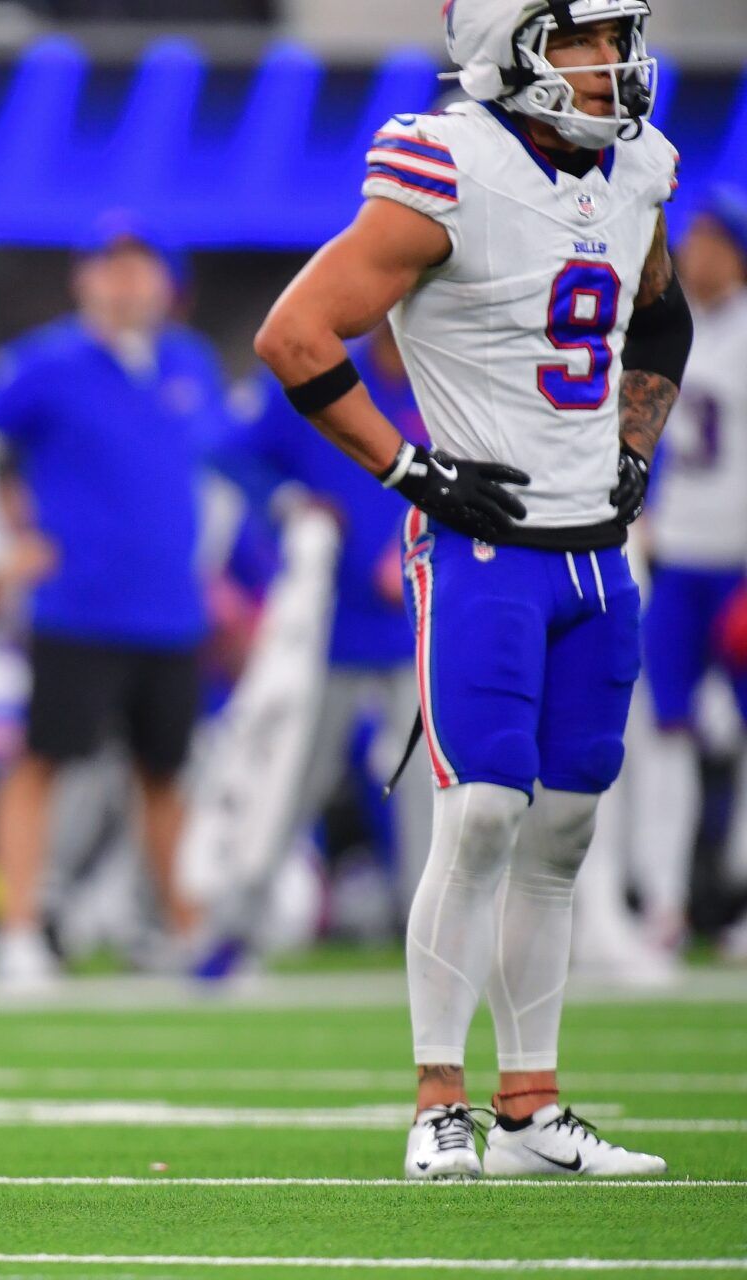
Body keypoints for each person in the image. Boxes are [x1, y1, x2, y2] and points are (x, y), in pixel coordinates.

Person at [253, 0, 686, 1177]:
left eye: (619, 33)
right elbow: (296, 336)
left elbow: (661, 313)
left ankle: (532, 1108)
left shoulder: (640, 161)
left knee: (567, 823)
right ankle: (437, 1095)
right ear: (512, 47)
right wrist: (409, 468)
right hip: (486, 547)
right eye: (587, 38)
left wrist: (634, 444)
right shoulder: (449, 163)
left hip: (599, 548)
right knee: (483, 811)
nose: (615, 60)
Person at [0, 223, 228, 988]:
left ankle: (187, 934)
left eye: (141, 268)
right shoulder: (50, 361)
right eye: (111, 268)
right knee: (40, 763)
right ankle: (19, 931)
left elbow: (218, 476)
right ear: (84, 280)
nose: (127, 284)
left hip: (167, 609)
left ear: (167, 283)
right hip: (77, 605)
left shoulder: (187, 364)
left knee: (166, 774)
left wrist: (205, 561)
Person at [201, 323, 435, 964]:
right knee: (285, 780)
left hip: (421, 620)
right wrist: (290, 503)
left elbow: (489, 470)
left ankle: (436, 942)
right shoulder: (314, 369)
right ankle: (236, 930)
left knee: (431, 792)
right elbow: (232, 453)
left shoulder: (449, 372)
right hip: (324, 627)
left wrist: (427, 536)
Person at [627, 187, 747, 947]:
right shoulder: (670, 327)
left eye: (706, 240)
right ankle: (662, 905)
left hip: (738, 565)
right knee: (662, 732)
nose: (692, 254)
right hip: (676, 564)